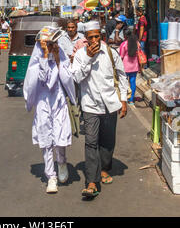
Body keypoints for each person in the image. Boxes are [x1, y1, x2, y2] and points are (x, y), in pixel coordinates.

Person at [72, 20, 128, 199]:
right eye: (91, 37)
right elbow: (77, 77)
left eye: (97, 36)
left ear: (101, 36)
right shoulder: (81, 55)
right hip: (90, 105)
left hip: (110, 104)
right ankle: (91, 181)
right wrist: (88, 57)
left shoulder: (111, 53)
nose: (94, 40)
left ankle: (104, 168)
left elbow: (122, 75)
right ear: (86, 39)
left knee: (108, 141)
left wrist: (124, 99)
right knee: (90, 141)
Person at [23, 26, 76, 194]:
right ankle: (50, 176)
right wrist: (45, 56)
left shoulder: (60, 56)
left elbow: (67, 78)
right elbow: (43, 80)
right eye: (45, 43)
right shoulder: (38, 59)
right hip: (43, 102)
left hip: (58, 100)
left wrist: (57, 58)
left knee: (60, 133)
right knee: (45, 138)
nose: (48, 45)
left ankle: (61, 163)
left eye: (50, 43)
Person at [120, 28, 140, 106]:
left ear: (125, 36)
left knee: (124, 83)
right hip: (134, 66)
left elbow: (121, 56)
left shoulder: (124, 44)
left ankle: (124, 99)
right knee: (132, 83)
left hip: (125, 66)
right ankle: (131, 100)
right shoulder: (137, 43)